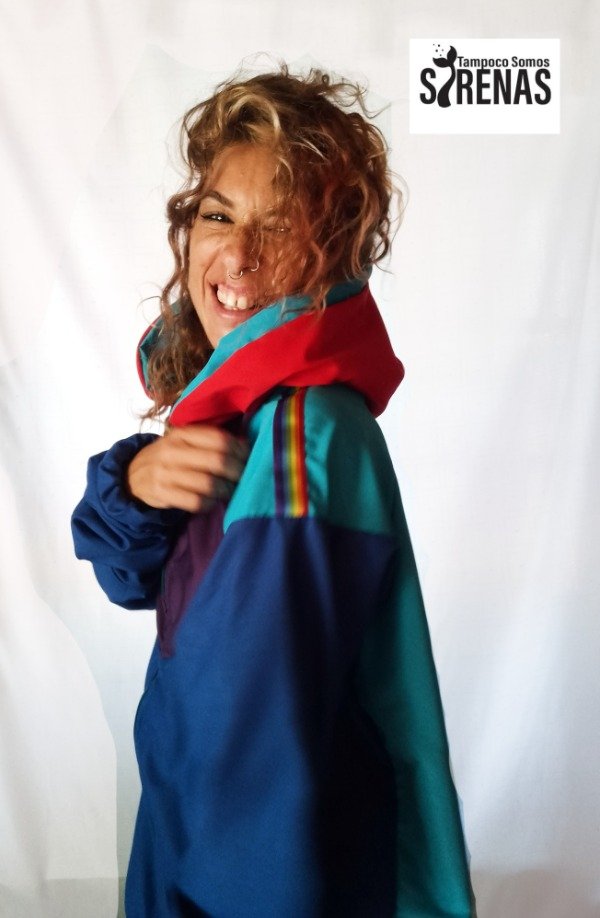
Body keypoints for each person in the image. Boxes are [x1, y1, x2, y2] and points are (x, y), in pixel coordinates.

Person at [71, 64, 476, 918]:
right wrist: (136, 483)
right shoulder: (247, 410)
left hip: (248, 879)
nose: (238, 254)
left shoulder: (302, 436)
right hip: (186, 836)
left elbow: (258, 764)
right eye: (218, 215)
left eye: (281, 226)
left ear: (334, 258)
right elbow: (133, 579)